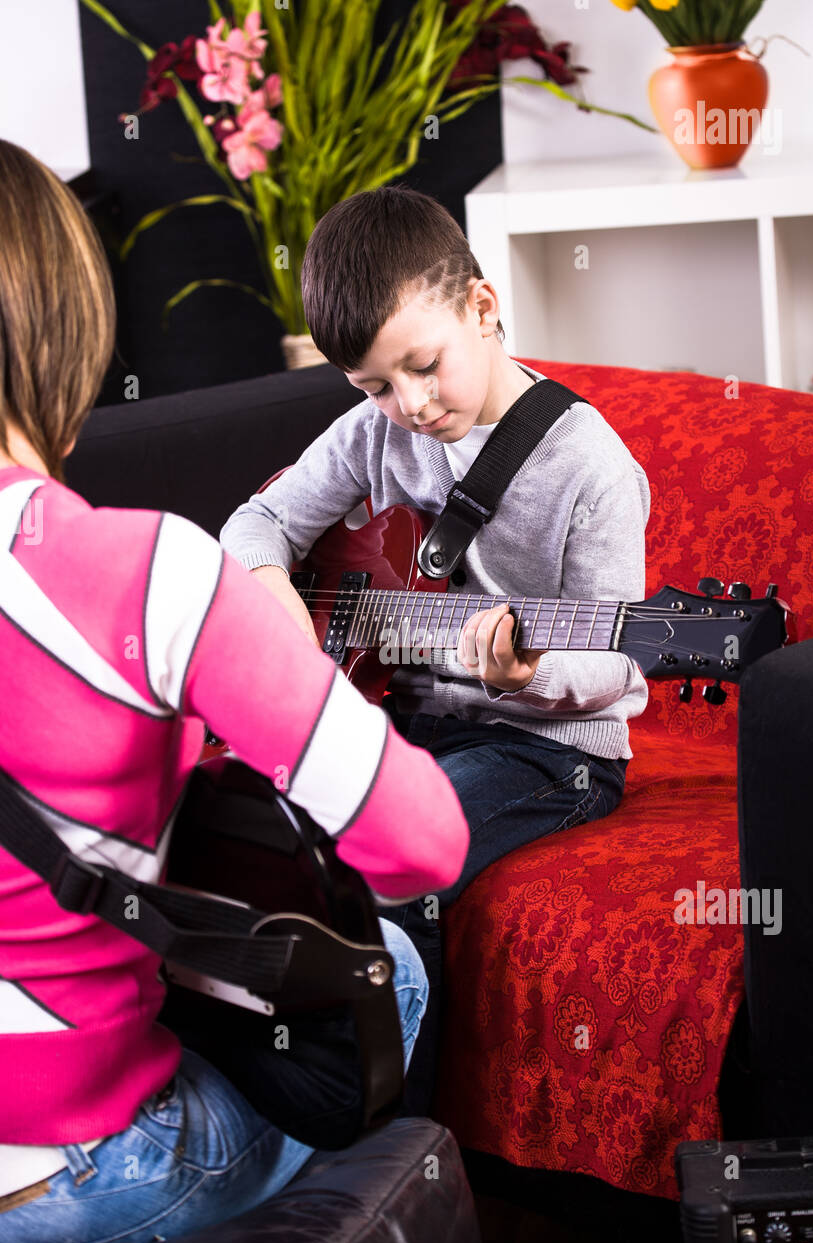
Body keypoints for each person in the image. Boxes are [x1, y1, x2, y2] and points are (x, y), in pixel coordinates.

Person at [0, 140, 470, 1243]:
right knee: (389, 968)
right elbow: (422, 839)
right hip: (65, 1174)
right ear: (66, 329)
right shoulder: (146, 569)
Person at [220, 185, 651, 1113]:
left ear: (484, 310)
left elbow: (617, 660)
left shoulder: (592, 465)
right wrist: (271, 591)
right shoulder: (374, 429)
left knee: (391, 860)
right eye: (376, 386)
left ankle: (408, 1172)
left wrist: (530, 674)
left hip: (548, 749)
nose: (408, 405)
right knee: (250, 834)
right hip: (404, 719)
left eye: (424, 366)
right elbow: (254, 521)